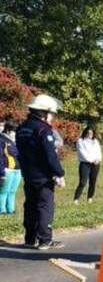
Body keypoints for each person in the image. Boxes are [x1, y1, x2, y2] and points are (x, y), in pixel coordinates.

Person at [15, 94, 66, 250]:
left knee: (30, 205)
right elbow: (50, 155)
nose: (52, 117)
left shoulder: (22, 128)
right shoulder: (43, 129)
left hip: (28, 173)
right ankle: (45, 239)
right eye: (51, 113)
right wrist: (59, 173)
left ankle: (30, 238)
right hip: (43, 175)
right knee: (45, 206)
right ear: (43, 112)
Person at [74, 127, 103, 204]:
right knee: (83, 182)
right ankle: (76, 199)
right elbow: (83, 153)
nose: (90, 135)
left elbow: (99, 152)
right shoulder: (80, 141)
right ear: (85, 133)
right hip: (85, 164)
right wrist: (91, 160)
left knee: (93, 182)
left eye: (91, 133)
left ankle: (90, 198)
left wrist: (98, 159)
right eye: (88, 133)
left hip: (96, 164)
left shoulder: (95, 141)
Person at [0, 122, 22, 215]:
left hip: (17, 170)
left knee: (12, 191)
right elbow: (0, 157)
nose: (15, 133)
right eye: (14, 131)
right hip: (7, 170)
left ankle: (11, 209)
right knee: (4, 191)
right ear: (8, 130)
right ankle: (2, 210)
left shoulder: (14, 141)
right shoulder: (2, 140)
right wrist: (1, 172)